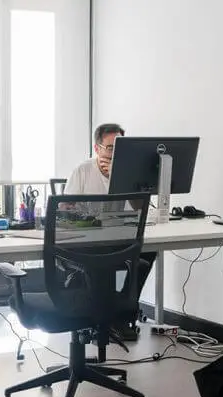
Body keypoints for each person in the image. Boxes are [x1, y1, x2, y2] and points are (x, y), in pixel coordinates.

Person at [63, 123, 156, 340]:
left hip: (118, 236)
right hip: (86, 241)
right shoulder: (82, 171)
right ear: (97, 149)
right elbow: (65, 213)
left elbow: (139, 210)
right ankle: (105, 317)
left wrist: (119, 179)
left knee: (147, 254)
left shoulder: (129, 173)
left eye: (121, 148)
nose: (116, 154)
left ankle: (121, 315)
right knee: (108, 261)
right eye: (111, 148)